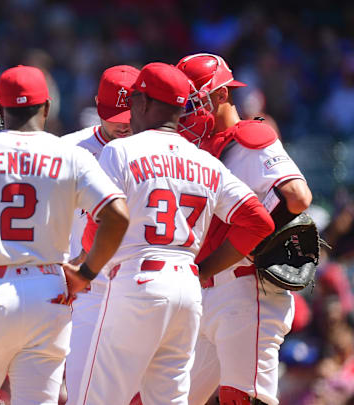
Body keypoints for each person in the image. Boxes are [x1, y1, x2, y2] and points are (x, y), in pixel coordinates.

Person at [0, 65, 130, 405]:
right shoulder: (72, 154)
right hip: (49, 295)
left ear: (1, 109)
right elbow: (117, 216)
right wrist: (85, 273)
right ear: (46, 107)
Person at [71, 62, 275, 405]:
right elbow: (260, 222)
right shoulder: (205, 161)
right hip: (187, 289)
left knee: (97, 398)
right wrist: (206, 269)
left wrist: (85, 266)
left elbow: (99, 226)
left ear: (143, 102)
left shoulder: (120, 150)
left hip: (135, 283)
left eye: (136, 98)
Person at [177, 53, 313, 405]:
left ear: (222, 95)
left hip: (245, 287)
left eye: (194, 102)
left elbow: (298, 196)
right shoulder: (198, 148)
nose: (186, 114)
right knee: (163, 397)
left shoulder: (249, 138)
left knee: (244, 400)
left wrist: (255, 241)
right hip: (207, 292)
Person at [60, 64, 139, 405]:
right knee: (83, 394)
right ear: (97, 105)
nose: (123, 122)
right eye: (114, 114)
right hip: (84, 291)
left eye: (129, 113)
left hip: (137, 289)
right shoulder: (68, 149)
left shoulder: (156, 150)